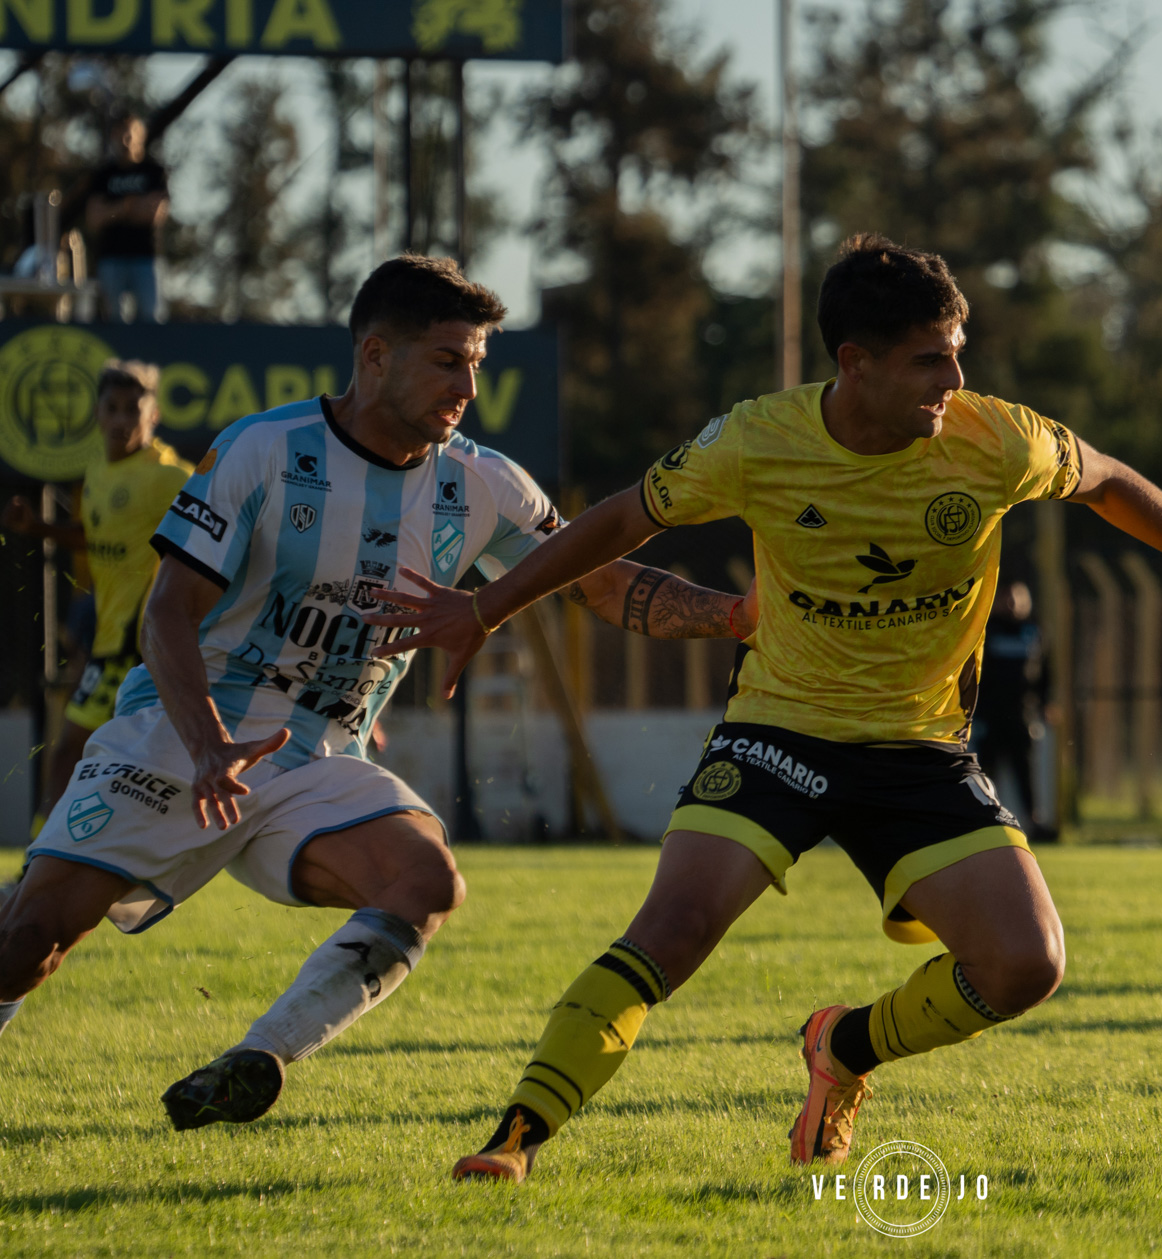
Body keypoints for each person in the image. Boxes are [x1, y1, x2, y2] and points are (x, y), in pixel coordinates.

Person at [374, 235, 1162, 1184]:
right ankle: (515, 1136)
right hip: (779, 732)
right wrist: (485, 606)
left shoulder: (995, 441)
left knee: (1026, 964)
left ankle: (843, 1047)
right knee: (672, 928)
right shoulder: (758, 440)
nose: (952, 381)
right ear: (856, 363)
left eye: (957, 355)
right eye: (930, 361)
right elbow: (626, 516)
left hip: (920, 749)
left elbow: (1108, 481)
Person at [0, 256, 748, 1133]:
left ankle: (259, 1057)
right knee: (28, 943)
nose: (468, 386)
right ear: (375, 354)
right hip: (180, 735)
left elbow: (606, 584)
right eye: (447, 360)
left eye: (476, 363)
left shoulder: (486, 484)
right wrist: (206, 742)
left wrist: (738, 615)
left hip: (318, 758)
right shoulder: (264, 449)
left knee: (425, 878)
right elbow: (167, 613)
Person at [4, 361, 193, 834]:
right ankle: (59, 852)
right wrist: (39, 528)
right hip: (108, 642)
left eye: (133, 409)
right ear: (97, 414)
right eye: (113, 408)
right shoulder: (98, 473)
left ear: (154, 415)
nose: (122, 420)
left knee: (79, 753)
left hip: (139, 649)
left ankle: (47, 854)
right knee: (91, 757)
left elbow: (223, 521)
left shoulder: (169, 477)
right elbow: (99, 536)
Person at [974, 580, 1050, 839]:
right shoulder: (987, 630)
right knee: (986, 772)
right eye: (1006, 597)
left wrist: (1046, 703)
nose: (1012, 603)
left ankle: (1033, 822)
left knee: (1025, 772)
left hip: (1021, 715)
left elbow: (1045, 671)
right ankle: (982, 824)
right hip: (990, 715)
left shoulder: (1033, 630)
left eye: (1018, 597)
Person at [83, 114, 169, 323]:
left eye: (129, 134)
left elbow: (154, 214)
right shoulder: (104, 175)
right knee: (113, 321)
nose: (125, 140)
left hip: (145, 258)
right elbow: (94, 219)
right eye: (120, 135)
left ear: (141, 135)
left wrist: (112, 210)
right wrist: (128, 206)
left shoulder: (154, 172)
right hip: (111, 258)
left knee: (151, 319)